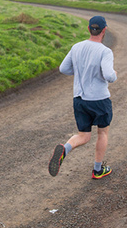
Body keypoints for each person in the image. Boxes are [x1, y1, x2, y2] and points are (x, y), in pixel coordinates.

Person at [49, 15, 117, 179]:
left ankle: (65, 149)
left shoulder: (77, 47)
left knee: (83, 135)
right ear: (104, 30)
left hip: (80, 99)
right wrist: (114, 75)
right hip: (99, 100)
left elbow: (63, 68)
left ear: (88, 29)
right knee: (102, 134)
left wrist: (80, 72)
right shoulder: (104, 51)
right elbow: (109, 76)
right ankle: (98, 169)